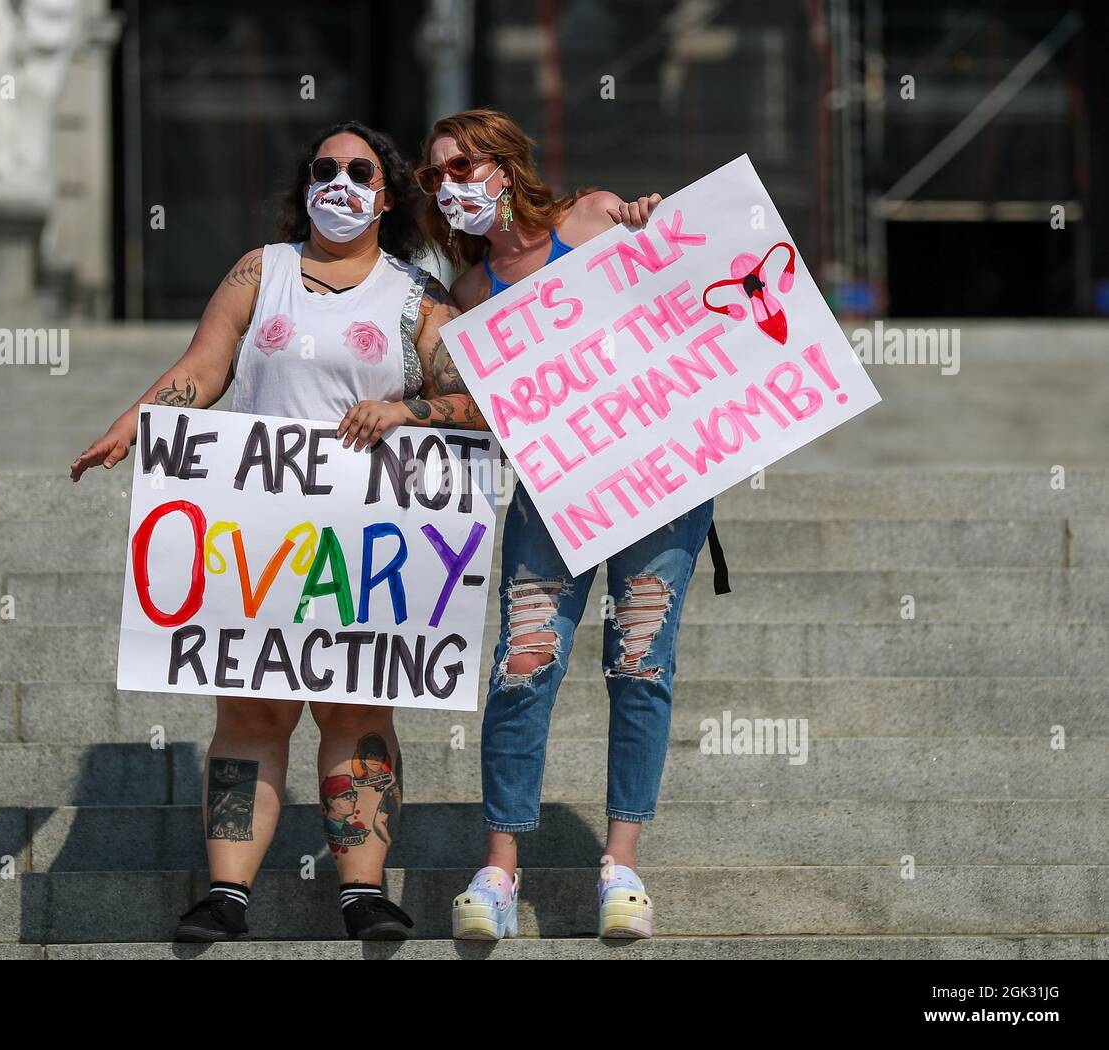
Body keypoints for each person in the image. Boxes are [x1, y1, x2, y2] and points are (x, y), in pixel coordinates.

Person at [72, 119, 486, 941]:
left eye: (359, 170)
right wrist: (134, 420)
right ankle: (227, 893)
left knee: (355, 711)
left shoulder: (420, 297)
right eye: (324, 168)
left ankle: (362, 892)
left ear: (389, 192)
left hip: (370, 540)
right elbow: (204, 366)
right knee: (252, 715)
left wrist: (405, 410)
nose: (339, 181)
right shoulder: (263, 271)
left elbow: (475, 406)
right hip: (256, 527)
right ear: (305, 186)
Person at [417, 108, 725, 941]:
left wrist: (654, 227)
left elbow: (690, 298)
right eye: (434, 176)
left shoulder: (590, 219)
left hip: (660, 486)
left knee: (640, 665)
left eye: (460, 168)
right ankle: (499, 872)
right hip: (554, 498)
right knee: (522, 668)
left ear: (505, 169)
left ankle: (620, 867)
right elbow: (485, 407)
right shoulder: (474, 294)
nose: (448, 187)